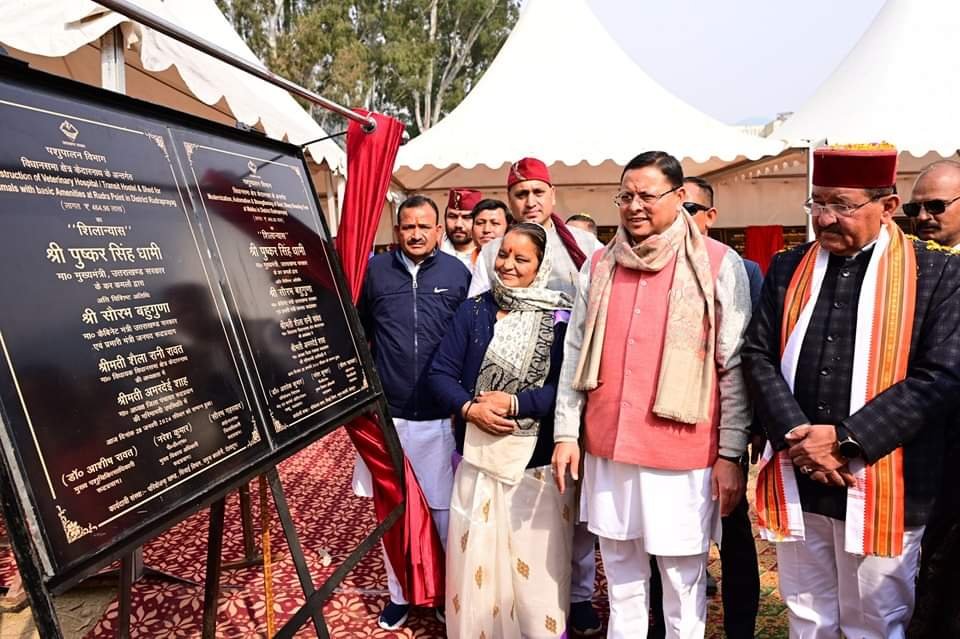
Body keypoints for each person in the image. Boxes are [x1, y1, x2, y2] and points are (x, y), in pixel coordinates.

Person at [743, 145, 960, 639]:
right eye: (817, 202)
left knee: (876, 619)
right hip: (800, 470)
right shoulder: (788, 266)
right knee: (807, 614)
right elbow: (757, 353)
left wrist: (845, 440)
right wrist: (799, 437)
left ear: (887, 206)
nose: (824, 217)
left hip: (890, 477)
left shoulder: (938, 272)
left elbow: (942, 375)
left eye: (842, 205)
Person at [554, 151, 752, 638]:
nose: (634, 206)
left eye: (647, 195)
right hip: (609, 446)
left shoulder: (717, 263)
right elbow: (576, 352)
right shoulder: (600, 263)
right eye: (625, 196)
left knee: (682, 583)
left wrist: (731, 454)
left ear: (680, 196)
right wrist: (566, 432)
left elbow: (733, 364)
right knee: (621, 581)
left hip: (682, 454)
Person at [469, 157, 605, 636]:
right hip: (513, 399)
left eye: (537, 192)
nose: (530, 201)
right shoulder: (494, 251)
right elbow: (479, 314)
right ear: (510, 199)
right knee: (523, 508)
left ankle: (579, 595)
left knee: (574, 500)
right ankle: (512, 597)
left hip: (572, 391)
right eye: (520, 193)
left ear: (553, 194)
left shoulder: (585, 247)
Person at [429, 223, 575, 638]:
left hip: (536, 466)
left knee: (536, 572)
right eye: (504, 254)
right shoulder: (473, 310)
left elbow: (565, 388)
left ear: (541, 266)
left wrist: (516, 404)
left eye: (521, 258)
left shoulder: (560, 318)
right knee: (479, 565)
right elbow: (440, 373)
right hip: (478, 458)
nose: (508, 265)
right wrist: (469, 408)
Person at [647, 176, 762, 639]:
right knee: (663, 540)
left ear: (710, 217)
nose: (679, 217)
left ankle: (740, 628)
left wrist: (749, 429)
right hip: (667, 433)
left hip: (722, 426)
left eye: (689, 209)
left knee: (733, 535)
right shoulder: (651, 264)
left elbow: (749, 356)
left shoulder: (740, 268)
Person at [357, 194, 472, 630]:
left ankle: (444, 594)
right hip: (391, 416)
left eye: (425, 226)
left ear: (439, 230)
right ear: (397, 230)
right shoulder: (375, 273)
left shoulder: (458, 274)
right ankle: (399, 594)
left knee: (443, 514)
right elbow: (361, 333)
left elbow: (469, 342)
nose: (417, 234)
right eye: (408, 226)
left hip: (442, 417)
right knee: (394, 512)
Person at [903, 160, 960, 639]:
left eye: (937, 206)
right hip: (922, 441)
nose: (923, 217)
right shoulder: (906, 268)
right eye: (914, 208)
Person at [442, 188, 483, 268]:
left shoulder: (487, 255)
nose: (458, 224)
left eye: (467, 217)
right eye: (452, 216)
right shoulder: (434, 248)